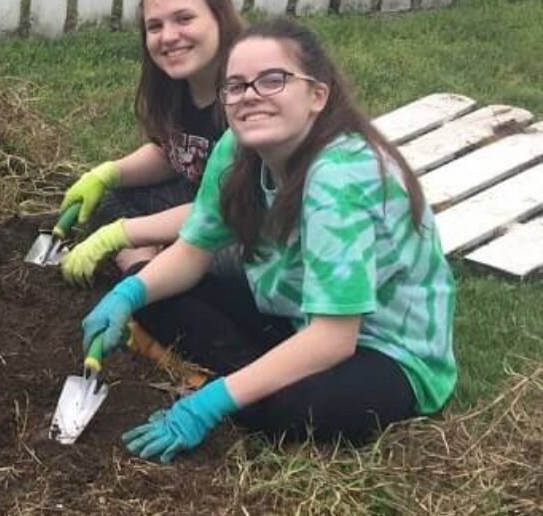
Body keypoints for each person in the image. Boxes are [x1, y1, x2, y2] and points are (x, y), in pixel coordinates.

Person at [80, 18, 457, 462]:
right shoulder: (236, 150)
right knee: (152, 292)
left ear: (317, 95)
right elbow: (191, 251)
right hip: (296, 313)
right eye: (235, 86)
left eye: (273, 80)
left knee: (295, 409)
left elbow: (336, 338)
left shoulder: (339, 179)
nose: (250, 95)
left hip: (381, 348)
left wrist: (212, 403)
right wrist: (126, 296)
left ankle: (237, 387)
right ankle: (255, 379)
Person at [58, 0, 244, 285]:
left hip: (246, 226)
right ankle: (145, 265)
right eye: (155, 26)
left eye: (184, 19)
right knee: (109, 198)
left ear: (220, 17)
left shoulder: (248, 97)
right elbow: (169, 155)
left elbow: (224, 211)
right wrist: (107, 174)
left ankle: (156, 277)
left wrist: (121, 234)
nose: (167, 37)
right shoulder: (175, 85)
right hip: (197, 203)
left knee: (217, 257)